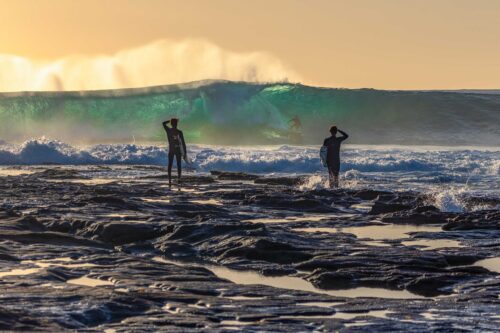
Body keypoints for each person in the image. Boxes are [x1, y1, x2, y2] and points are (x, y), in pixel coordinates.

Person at [162, 118, 187, 188]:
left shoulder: (168, 130)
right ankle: (179, 178)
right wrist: (185, 152)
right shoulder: (179, 132)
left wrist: (169, 121)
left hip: (171, 149)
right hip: (178, 150)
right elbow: (183, 143)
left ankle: (169, 179)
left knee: (170, 164)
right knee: (179, 164)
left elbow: (163, 123)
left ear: (171, 124)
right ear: (177, 124)